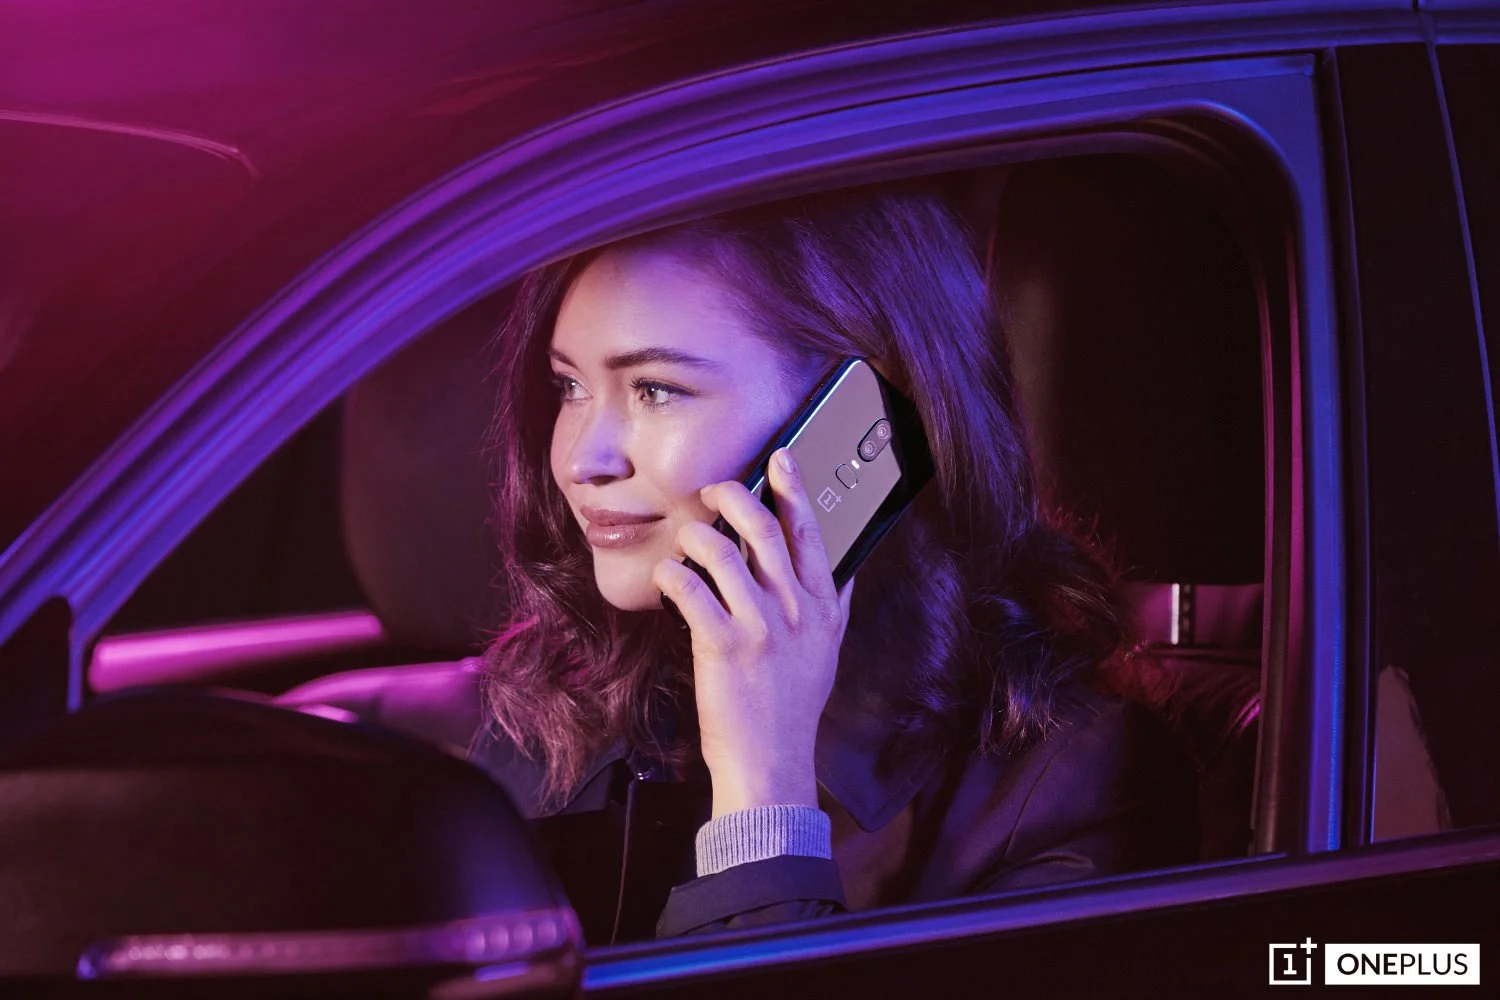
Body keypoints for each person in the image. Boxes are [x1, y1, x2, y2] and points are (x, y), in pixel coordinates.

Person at [463, 184, 1197, 939]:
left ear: (863, 419)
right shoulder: (544, 710)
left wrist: (764, 790)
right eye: (570, 388)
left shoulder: (1068, 784)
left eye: (656, 389)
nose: (583, 459)